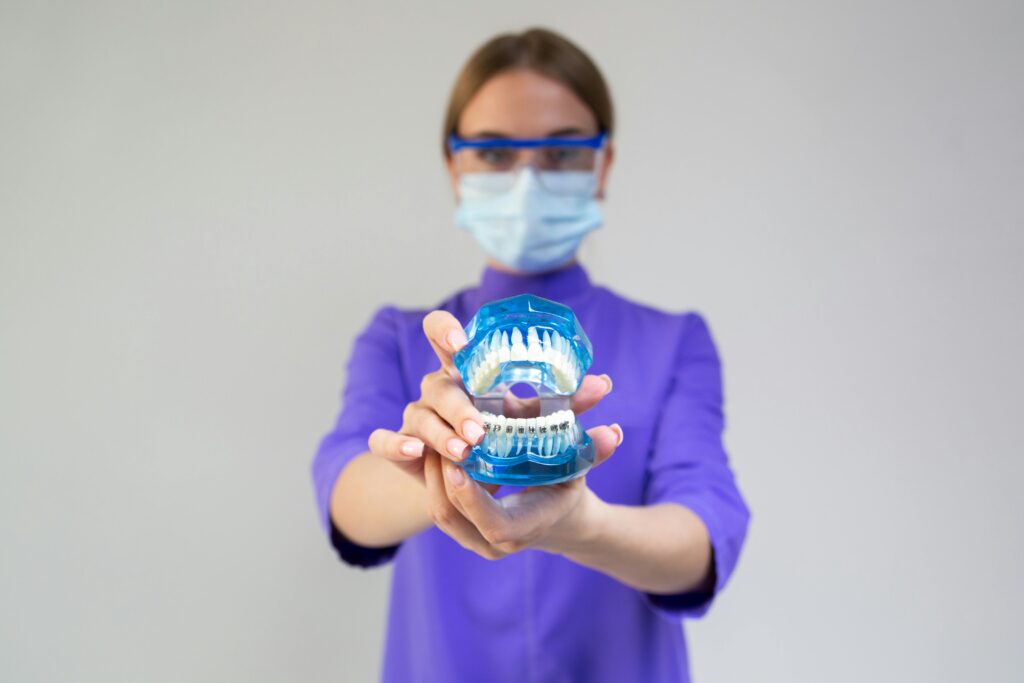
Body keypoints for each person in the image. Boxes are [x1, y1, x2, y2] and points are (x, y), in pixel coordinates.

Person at [311, 27, 750, 683]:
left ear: (603, 164)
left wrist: (582, 525)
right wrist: (440, 463)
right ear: (453, 165)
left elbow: (704, 537)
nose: (527, 181)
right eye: (493, 153)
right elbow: (345, 497)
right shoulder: (399, 341)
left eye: (562, 153)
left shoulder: (675, 342)